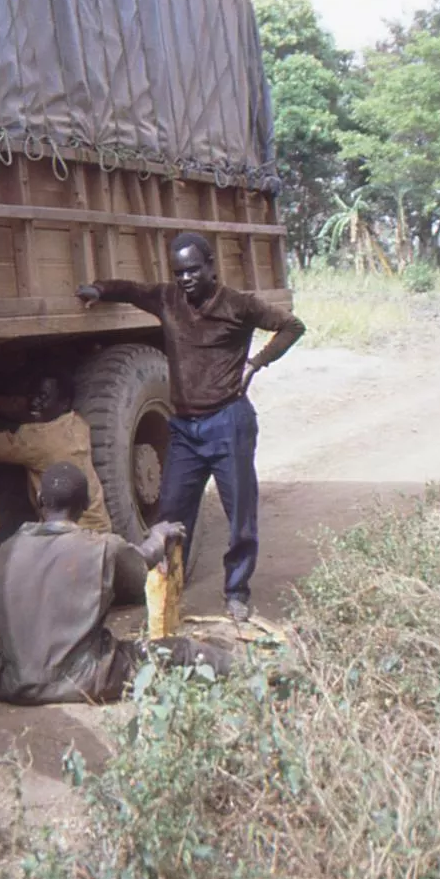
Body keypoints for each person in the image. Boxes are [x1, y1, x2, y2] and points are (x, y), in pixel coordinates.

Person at [75, 231, 305, 622]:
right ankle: (167, 595)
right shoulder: (169, 299)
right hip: (183, 429)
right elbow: (133, 290)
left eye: (193, 270)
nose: (185, 279)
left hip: (228, 423)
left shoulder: (239, 305)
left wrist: (255, 363)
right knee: (170, 519)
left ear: (211, 266)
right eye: (179, 272)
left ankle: (236, 592)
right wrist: (99, 289)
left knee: (241, 517)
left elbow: (291, 326)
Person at [0, 462, 224, 705]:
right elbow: (138, 580)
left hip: (17, 683)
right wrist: (155, 539)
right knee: (181, 652)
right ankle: (262, 672)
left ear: (40, 499)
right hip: (88, 679)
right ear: (84, 506)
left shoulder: (6, 551)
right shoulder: (103, 547)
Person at [0, 374, 135, 591]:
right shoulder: (76, 424)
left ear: (63, 402)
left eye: (43, 397)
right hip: (94, 540)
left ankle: (21, 593)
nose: (35, 402)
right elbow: (27, 408)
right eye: (33, 396)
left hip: (65, 550)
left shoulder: (38, 440)